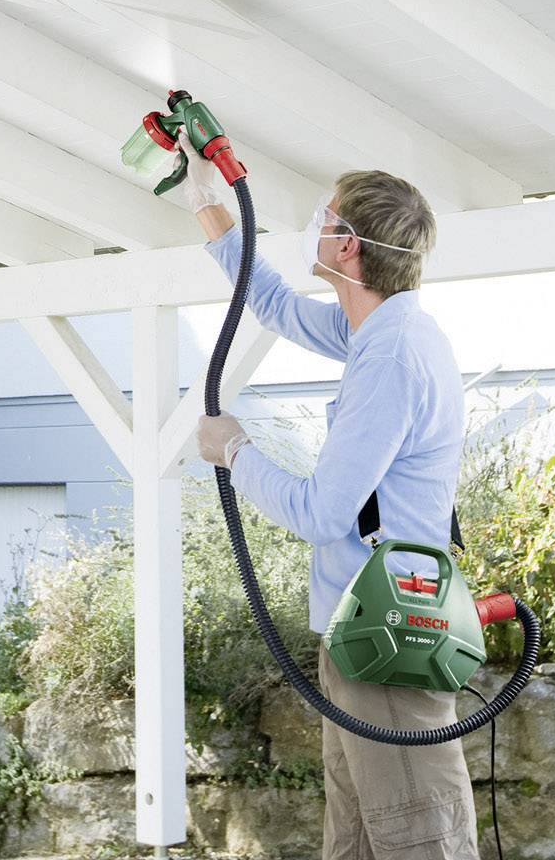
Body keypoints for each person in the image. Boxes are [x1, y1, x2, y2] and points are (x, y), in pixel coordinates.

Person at [181, 162, 477, 860]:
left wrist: (237, 453)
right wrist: (208, 206)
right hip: (363, 637)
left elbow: (321, 514)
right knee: (357, 842)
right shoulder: (378, 334)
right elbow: (276, 304)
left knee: (416, 838)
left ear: (348, 246)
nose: (314, 224)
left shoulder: (393, 356)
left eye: (324, 215)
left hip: (388, 644)